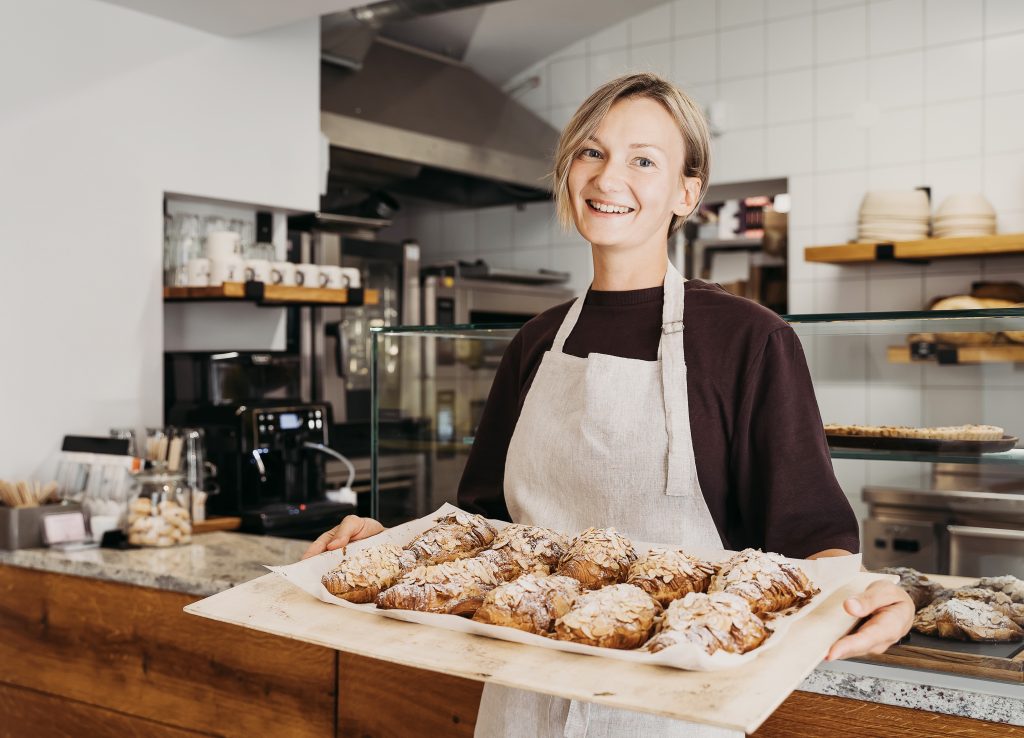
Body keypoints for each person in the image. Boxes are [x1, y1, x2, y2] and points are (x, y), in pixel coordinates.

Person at [304, 73, 914, 737]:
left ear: (687, 191)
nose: (607, 177)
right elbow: (484, 529)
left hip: (668, 714)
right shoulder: (536, 343)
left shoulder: (751, 340)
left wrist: (880, 595)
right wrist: (390, 541)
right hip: (522, 705)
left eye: (643, 160)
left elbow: (816, 540)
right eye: (591, 152)